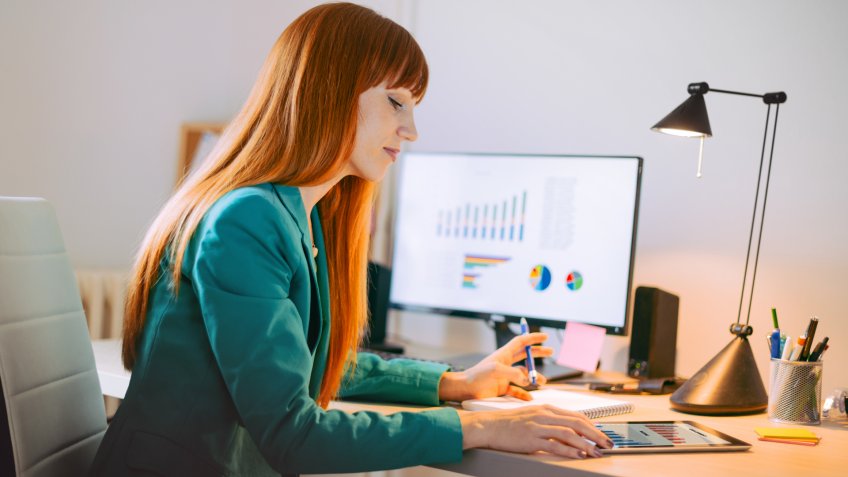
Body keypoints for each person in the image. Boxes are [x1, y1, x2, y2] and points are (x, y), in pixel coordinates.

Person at [89, 3, 612, 475]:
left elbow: (309, 359)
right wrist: (479, 427)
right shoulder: (246, 220)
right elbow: (294, 436)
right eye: (396, 102)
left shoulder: (302, 215)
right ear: (330, 92)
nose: (412, 131)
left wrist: (453, 383)